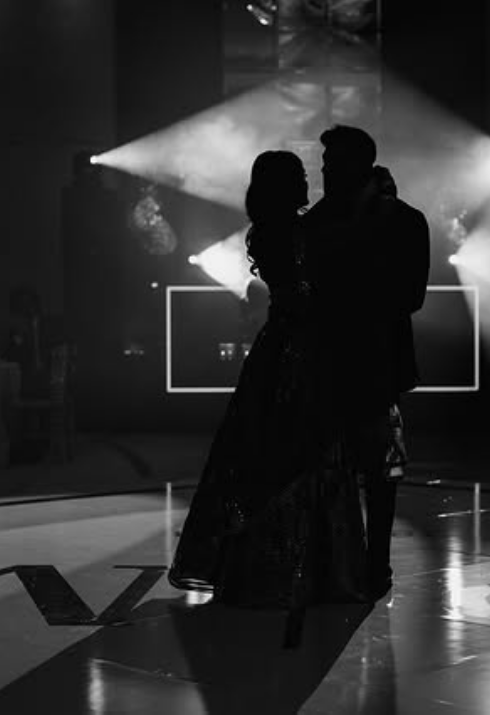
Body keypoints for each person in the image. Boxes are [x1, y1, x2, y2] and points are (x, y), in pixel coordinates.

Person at [169, 151, 370, 644]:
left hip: (282, 350)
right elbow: (309, 292)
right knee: (295, 455)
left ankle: (268, 569)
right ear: (283, 186)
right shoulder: (293, 234)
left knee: (268, 453)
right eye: (299, 177)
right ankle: (297, 571)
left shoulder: (273, 231)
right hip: (301, 354)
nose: (308, 182)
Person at [302, 125, 430, 599]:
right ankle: (364, 564)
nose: (325, 172)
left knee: (369, 469)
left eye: (332, 164)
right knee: (362, 471)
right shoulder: (398, 220)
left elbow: (410, 295)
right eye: (325, 165)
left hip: (362, 363)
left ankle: (366, 564)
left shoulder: (393, 221)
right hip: (361, 362)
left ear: (359, 166)